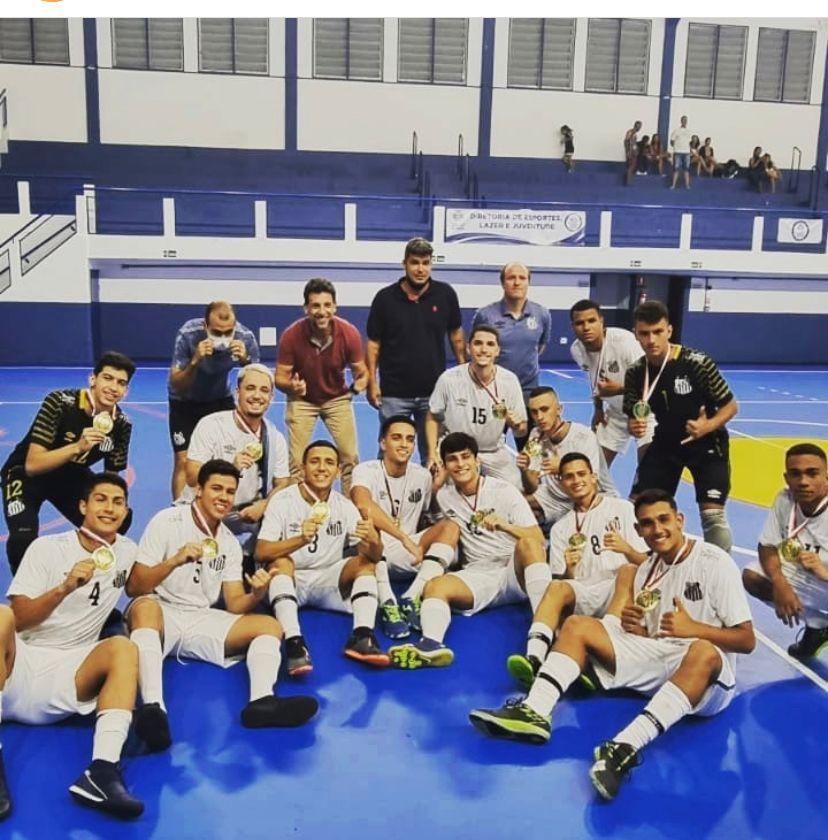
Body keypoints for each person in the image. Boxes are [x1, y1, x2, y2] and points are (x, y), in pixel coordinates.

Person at [469, 489, 756, 802]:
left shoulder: (714, 562)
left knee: (701, 648)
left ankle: (623, 748)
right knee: (576, 625)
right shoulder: (648, 569)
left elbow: (746, 640)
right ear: (638, 531)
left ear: (679, 519)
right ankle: (534, 710)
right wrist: (641, 630)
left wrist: (693, 629)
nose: (657, 529)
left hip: (709, 678)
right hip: (665, 657)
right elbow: (657, 633)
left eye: (663, 520)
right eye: (647, 524)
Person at [126, 459, 318, 751]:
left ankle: (262, 701)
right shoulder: (167, 521)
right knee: (142, 607)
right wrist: (173, 561)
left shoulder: (228, 542)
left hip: (202, 617)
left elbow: (234, 604)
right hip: (163, 611)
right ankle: (153, 708)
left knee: (269, 625)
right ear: (198, 489)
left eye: (230, 491)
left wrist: (256, 593)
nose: (224, 497)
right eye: (216, 488)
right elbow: (135, 587)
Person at [1, 473, 144, 819]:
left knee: (124, 649)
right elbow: (20, 618)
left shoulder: (126, 552)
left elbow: (143, 584)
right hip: (18, 667)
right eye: (101, 499)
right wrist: (64, 588)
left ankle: (102, 772)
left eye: (118, 502)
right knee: (1, 616)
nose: (109, 508)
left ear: (126, 512)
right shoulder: (47, 548)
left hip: (69, 671)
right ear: (82, 506)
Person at [388, 432, 548, 669]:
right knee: (435, 586)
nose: (461, 464)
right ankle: (431, 644)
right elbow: (438, 525)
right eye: (453, 459)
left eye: (466, 457)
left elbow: (538, 539)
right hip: (479, 574)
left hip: (514, 571)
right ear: (445, 465)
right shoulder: (444, 496)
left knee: (529, 545)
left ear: (477, 461)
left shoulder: (503, 490)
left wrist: (504, 525)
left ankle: (543, 635)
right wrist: (437, 483)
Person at [506, 452, 649, 689]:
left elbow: (650, 563)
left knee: (628, 569)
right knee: (557, 586)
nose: (576, 480)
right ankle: (535, 657)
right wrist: (570, 570)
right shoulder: (561, 528)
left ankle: (598, 660)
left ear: (594, 477)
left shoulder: (622, 509)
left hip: (620, 592)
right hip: (587, 592)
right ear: (562, 483)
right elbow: (565, 583)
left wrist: (627, 549)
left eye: (581, 474)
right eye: (569, 477)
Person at [255, 441, 389, 676]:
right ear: (302, 468)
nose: (321, 468)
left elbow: (374, 556)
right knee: (281, 563)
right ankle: (294, 643)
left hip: (328, 580)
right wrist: (299, 540)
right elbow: (261, 551)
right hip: (291, 579)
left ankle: (362, 634)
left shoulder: (344, 506)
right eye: (314, 461)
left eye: (329, 463)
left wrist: (374, 540)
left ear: (338, 471)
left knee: (367, 563)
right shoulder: (282, 501)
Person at [2, 351, 136, 574]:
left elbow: (111, 478)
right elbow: (32, 465)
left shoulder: (122, 424)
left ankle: (89, 575)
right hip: (24, 475)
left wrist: (114, 507)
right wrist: (77, 447)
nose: (114, 387)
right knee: (23, 538)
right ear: (93, 379)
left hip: (70, 475)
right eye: (108, 378)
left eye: (121, 383)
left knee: (117, 519)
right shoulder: (59, 403)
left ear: (126, 390)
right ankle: (24, 600)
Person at [624, 300, 738, 552]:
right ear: (636, 335)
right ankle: (649, 568)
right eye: (644, 333)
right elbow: (633, 413)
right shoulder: (635, 372)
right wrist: (635, 425)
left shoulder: (697, 363)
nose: (651, 340)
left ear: (669, 331)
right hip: (665, 442)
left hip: (708, 443)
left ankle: (720, 575)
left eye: (657, 332)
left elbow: (731, 406)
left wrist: (707, 427)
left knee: (713, 517)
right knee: (638, 508)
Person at [350, 415, 459, 638]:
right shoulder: (365, 470)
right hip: (372, 553)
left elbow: (430, 516)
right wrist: (402, 537)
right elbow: (363, 504)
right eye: (397, 438)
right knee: (369, 527)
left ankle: (412, 595)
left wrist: (437, 489)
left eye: (410, 439)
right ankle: (388, 602)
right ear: (382, 443)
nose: (404, 444)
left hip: (410, 554)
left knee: (451, 527)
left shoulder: (422, 476)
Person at [365, 237, 465, 464]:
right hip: (394, 394)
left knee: (434, 455)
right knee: (390, 455)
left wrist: (463, 373)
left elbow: (456, 336)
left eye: (426, 263)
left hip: (434, 393)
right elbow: (373, 345)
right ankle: (385, 496)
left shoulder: (446, 294)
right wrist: (372, 381)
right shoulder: (385, 298)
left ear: (431, 264)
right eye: (415, 263)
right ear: (404, 264)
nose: (420, 269)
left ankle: (431, 499)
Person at [179, 364, 290, 566]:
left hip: (246, 512)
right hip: (204, 507)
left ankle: (249, 558)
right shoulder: (212, 425)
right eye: (250, 388)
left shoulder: (274, 437)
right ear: (237, 393)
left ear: (271, 398)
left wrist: (264, 505)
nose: (257, 395)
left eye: (264, 391)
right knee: (194, 562)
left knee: (286, 518)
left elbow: (283, 483)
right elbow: (192, 476)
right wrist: (230, 467)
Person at [275, 278, 366, 494]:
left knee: (350, 458)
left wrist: (354, 390)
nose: (321, 311)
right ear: (306, 308)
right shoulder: (291, 336)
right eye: (315, 305)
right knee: (297, 462)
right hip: (302, 401)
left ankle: (349, 509)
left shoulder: (349, 333)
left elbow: (362, 373)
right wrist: (292, 387)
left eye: (327, 305)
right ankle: (298, 509)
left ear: (335, 306)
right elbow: (279, 378)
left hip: (336, 399)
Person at [743, 443, 828, 660]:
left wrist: (824, 571)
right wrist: (780, 582)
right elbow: (767, 546)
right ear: (786, 477)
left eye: (812, 473)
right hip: (807, 578)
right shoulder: (785, 499)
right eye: (795, 474)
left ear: (826, 475)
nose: (803, 481)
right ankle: (818, 625)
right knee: (753, 576)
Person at [167, 301, 259, 499]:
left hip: (219, 399)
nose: (223, 339)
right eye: (217, 333)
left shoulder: (245, 337)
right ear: (205, 327)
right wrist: (195, 361)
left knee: (226, 455)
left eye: (228, 332)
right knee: (183, 461)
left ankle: (224, 505)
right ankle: (179, 514)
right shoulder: (188, 334)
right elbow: (176, 384)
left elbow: (258, 380)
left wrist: (245, 361)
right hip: (184, 401)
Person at [426, 325, 527, 488]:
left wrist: (516, 424)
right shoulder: (449, 379)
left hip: (492, 451)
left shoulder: (509, 381)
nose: (483, 349)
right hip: (456, 450)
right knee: (435, 488)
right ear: (468, 348)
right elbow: (432, 416)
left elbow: (521, 429)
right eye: (478, 343)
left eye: (490, 344)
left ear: (497, 351)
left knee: (516, 488)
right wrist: (432, 453)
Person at [471, 262, 552, 448]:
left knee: (531, 452)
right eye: (511, 278)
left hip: (528, 394)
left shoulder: (542, 314)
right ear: (502, 283)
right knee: (485, 447)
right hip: (493, 394)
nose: (517, 282)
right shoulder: (485, 315)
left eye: (522, 278)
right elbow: (477, 351)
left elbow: (540, 347)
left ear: (528, 283)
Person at [569, 299, 654, 469]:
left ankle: (640, 493)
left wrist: (620, 390)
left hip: (645, 411)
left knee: (648, 469)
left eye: (591, 321)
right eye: (580, 323)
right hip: (615, 414)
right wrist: (598, 408)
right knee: (594, 468)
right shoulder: (576, 350)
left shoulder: (625, 342)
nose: (586, 327)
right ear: (573, 326)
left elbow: (650, 380)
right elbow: (594, 379)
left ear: (601, 321)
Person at [518, 386, 617, 526]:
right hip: (556, 497)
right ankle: (550, 522)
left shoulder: (583, 437)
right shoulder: (536, 435)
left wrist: (563, 469)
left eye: (545, 409)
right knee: (514, 504)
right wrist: (525, 470)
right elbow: (531, 488)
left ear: (559, 409)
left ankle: (555, 522)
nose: (539, 417)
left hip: (592, 497)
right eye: (534, 412)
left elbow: (591, 487)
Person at [669, 115, 693, 190]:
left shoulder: (689, 131)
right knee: (676, 169)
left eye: (686, 120)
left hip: (686, 152)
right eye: (683, 120)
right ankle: (673, 185)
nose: (685, 121)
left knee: (686, 169)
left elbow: (690, 142)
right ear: (681, 121)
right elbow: (672, 141)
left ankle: (687, 185)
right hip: (678, 152)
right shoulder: (676, 130)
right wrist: (677, 147)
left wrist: (689, 150)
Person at [624, 120, 642, 185]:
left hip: (634, 152)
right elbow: (626, 142)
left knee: (633, 166)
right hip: (630, 152)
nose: (640, 128)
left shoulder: (634, 133)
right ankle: (628, 182)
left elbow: (633, 143)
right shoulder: (630, 132)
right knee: (630, 166)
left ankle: (629, 180)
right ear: (636, 125)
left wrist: (636, 149)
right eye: (639, 126)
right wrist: (627, 151)